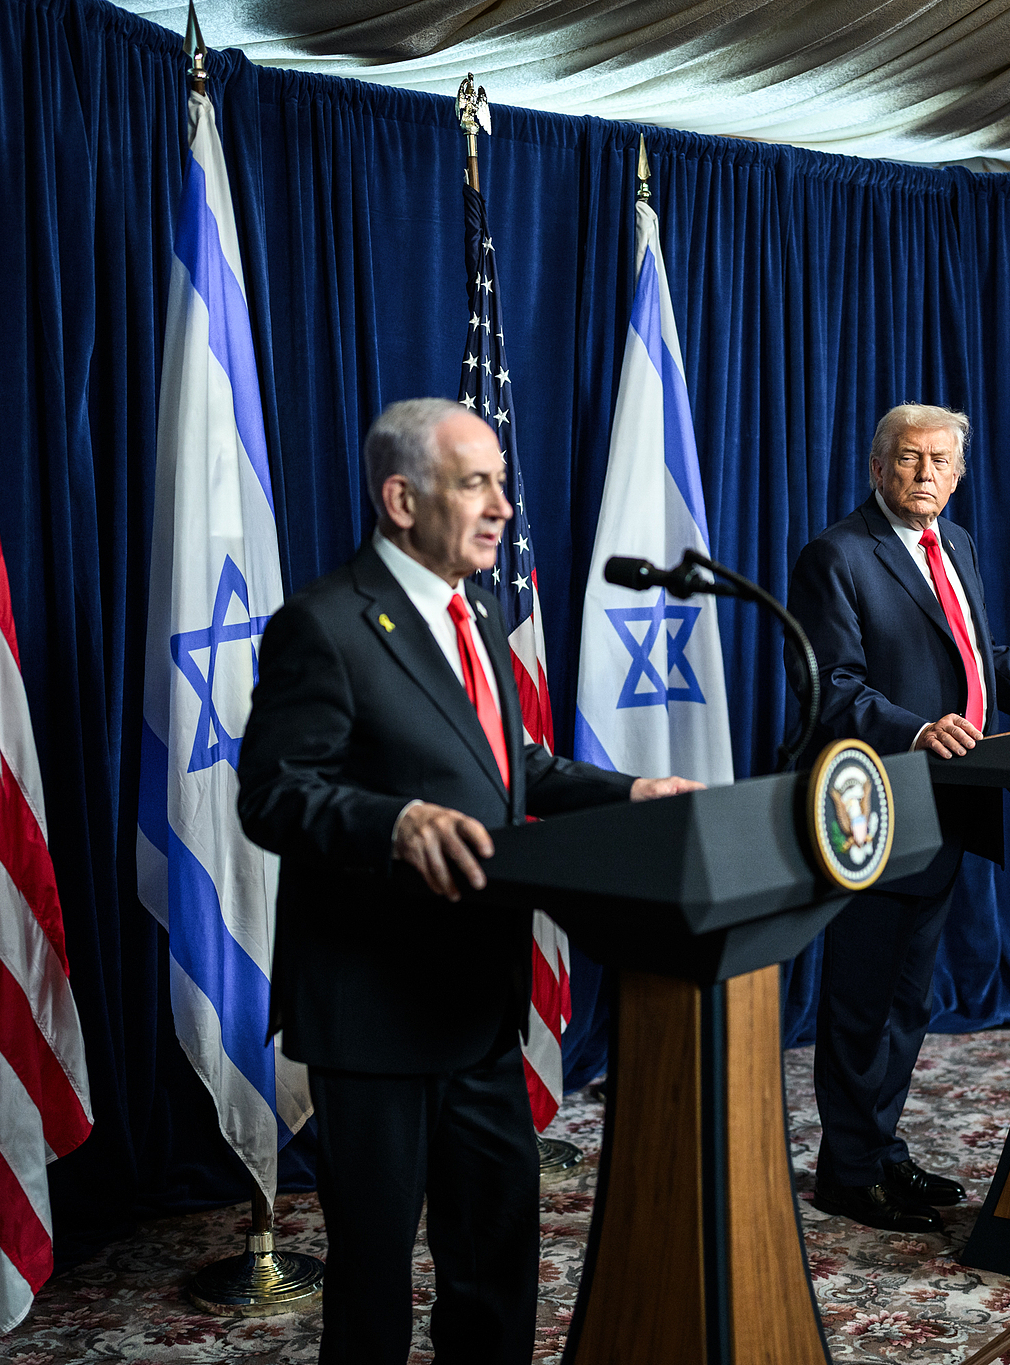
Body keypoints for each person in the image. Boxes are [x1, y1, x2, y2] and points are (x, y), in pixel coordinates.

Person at [237, 398, 701, 1365]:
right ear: (402, 499)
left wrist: (631, 790)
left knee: (495, 1264)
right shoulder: (325, 623)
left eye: (501, 483)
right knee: (373, 1285)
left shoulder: (476, 610)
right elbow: (275, 795)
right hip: (373, 1011)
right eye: (475, 484)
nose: (502, 507)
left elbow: (510, 765)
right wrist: (394, 822)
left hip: (481, 999)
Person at [786, 402, 1010, 1234]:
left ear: (959, 474)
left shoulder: (956, 544)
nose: (925, 472)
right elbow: (832, 688)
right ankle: (847, 1173)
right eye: (909, 457)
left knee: (908, 998)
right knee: (863, 997)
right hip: (877, 804)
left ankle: (879, 1147)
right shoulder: (837, 555)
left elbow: (983, 656)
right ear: (877, 467)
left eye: (940, 460)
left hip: (950, 801)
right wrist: (916, 729)